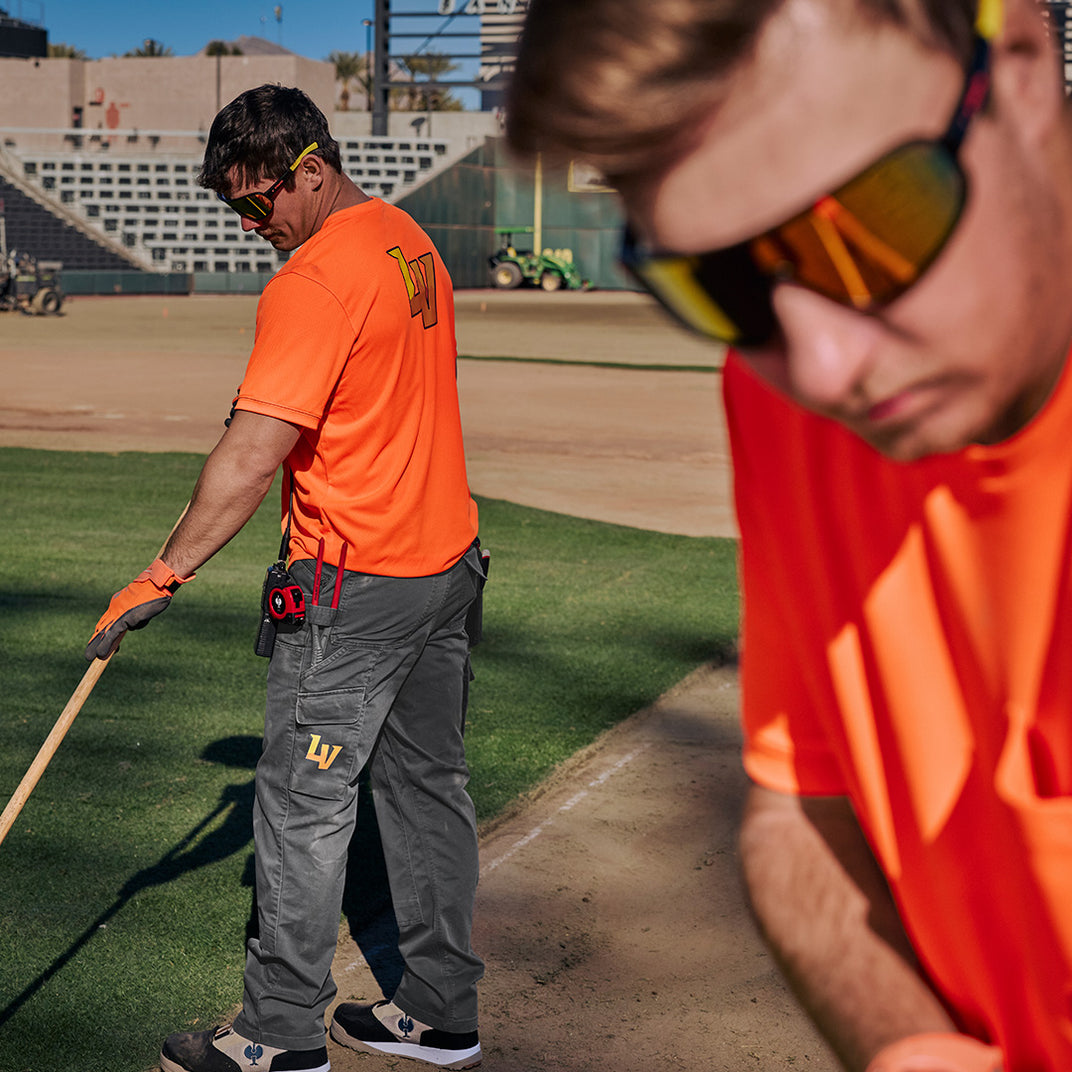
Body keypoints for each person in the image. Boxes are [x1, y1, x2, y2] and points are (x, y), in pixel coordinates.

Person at [506, 0, 1072, 1070]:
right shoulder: (784, 397)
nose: (821, 365)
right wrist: (912, 1050)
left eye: (869, 228)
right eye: (720, 286)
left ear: (1024, 66)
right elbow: (800, 805)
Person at [86, 84, 486, 1072]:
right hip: (444, 563)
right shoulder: (405, 236)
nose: (250, 223)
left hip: (354, 583)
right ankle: (439, 1013)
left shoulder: (311, 280)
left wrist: (160, 574)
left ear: (308, 169)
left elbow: (251, 452)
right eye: (234, 209)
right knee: (428, 789)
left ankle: (275, 1031)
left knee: (304, 807)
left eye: (256, 203)